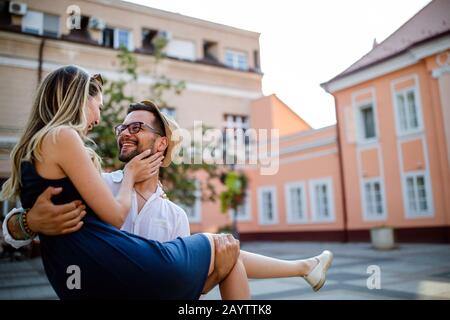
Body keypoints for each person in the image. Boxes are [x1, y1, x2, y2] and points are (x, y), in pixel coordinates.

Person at [2, 66, 333, 299]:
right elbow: (15, 226)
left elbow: (181, 290)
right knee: (221, 246)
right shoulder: (98, 182)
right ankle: (304, 267)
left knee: (227, 253)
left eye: (137, 128)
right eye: (122, 128)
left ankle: (304, 266)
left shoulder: (175, 215)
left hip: (139, 285)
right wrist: (27, 223)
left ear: (161, 144)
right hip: (100, 283)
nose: (120, 130)